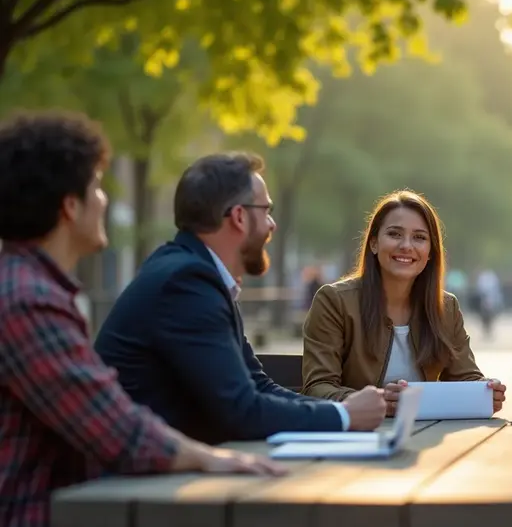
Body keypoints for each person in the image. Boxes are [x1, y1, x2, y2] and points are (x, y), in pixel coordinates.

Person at [0, 111, 283, 527]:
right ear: (70, 206)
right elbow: (115, 427)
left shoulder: (30, 288)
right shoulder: (26, 300)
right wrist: (210, 459)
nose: (104, 200)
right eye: (96, 187)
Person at [95, 152, 386, 445]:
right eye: (266, 210)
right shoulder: (187, 283)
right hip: (125, 482)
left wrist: (340, 410)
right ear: (239, 216)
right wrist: (345, 416)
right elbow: (242, 411)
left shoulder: (197, 273)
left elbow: (257, 386)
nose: (272, 224)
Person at [301, 190, 506, 415]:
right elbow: (317, 388)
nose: (407, 246)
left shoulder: (446, 307)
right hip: (359, 434)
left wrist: (485, 391)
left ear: (430, 253)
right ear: (374, 244)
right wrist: (378, 402)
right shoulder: (334, 301)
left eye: (419, 237)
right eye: (394, 234)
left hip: (430, 434)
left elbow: (465, 377)